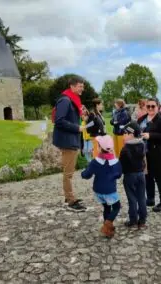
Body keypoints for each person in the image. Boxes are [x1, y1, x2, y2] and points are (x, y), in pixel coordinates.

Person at [53, 75, 87, 212]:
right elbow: (59, 120)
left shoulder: (71, 100)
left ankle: (69, 197)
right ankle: (70, 200)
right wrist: (77, 127)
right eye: (80, 87)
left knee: (69, 172)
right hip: (68, 141)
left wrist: (80, 116)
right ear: (72, 86)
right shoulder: (65, 100)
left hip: (71, 140)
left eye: (83, 87)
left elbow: (69, 117)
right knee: (68, 173)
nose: (82, 90)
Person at [81, 135, 122, 238]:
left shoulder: (95, 162)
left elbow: (86, 175)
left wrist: (83, 172)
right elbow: (118, 175)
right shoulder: (116, 162)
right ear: (111, 148)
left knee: (107, 208)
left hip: (98, 191)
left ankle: (107, 229)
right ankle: (108, 224)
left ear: (99, 148)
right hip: (110, 191)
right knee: (116, 207)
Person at [138, 98, 161, 212]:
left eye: (153, 106)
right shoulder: (142, 118)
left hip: (158, 153)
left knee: (160, 177)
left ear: (158, 107)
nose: (150, 108)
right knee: (147, 176)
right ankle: (150, 198)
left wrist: (150, 135)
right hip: (144, 153)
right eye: (148, 106)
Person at [119, 122, 147, 229]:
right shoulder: (142, 144)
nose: (123, 136)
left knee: (132, 199)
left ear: (131, 134)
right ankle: (143, 220)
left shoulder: (125, 149)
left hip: (129, 176)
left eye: (125, 133)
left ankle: (133, 220)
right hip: (141, 174)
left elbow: (121, 165)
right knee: (141, 197)